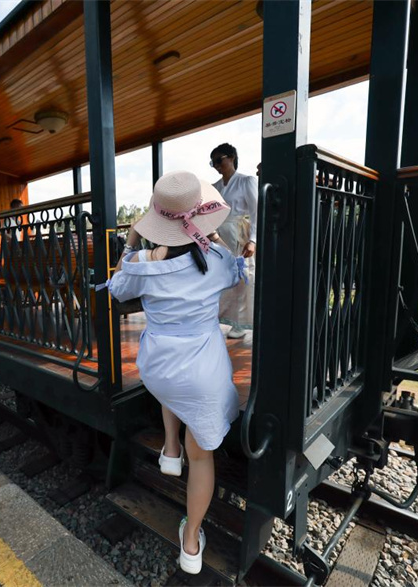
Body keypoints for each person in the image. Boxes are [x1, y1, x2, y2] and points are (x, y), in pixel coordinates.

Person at [107, 171, 245, 574]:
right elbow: (235, 270)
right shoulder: (217, 261)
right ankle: (190, 544)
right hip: (200, 369)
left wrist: (132, 243)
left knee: (171, 388)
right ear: (199, 220)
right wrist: (212, 236)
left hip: (156, 365)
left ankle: (170, 449)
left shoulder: (142, 266)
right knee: (201, 456)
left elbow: (116, 289)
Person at [209, 143, 258, 340]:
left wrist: (253, 240)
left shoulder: (246, 181)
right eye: (213, 162)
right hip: (219, 235)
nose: (216, 165)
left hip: (238, 233)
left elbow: (256, 212)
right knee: (220, 275)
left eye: (219, 160)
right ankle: (220, 317)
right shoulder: (215, 187)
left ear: (232, 157)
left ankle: (239, 322)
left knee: (242, 276)